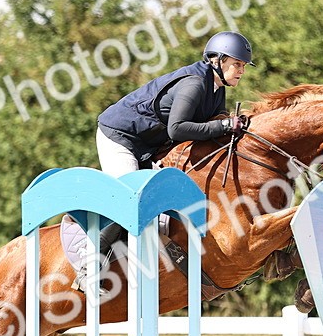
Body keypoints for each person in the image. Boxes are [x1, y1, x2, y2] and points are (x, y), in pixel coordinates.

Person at [71, 31, 256, 295]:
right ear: (217, 59)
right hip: (120, 136)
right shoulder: (194, 84)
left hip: (148, 145)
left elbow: (211, 121)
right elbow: (177, 130)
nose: (241, 71)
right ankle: (90, 264)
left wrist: (233, 123)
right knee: (133, 199)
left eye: (243, 66)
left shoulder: (216, 89)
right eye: (237, 64)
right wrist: (224, 124)